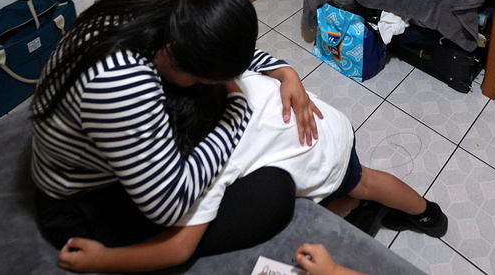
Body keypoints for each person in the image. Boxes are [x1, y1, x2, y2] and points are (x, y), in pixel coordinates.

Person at [52, 34, 448, 273]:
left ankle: (377, 212)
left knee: (348, 192)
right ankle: (427, 213)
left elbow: (179, 248)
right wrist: (289, 73)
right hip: (330, 122)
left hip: (319, 157)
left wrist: (103, 259)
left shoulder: (216, 157)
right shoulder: (231, 76)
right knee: (369, 179)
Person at [30, 0, 322, 258]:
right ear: (175, 56)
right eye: (206, 79)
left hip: (102, 141)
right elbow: (169, 203)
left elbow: (214, 35)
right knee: (272, 195)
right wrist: (237, 109)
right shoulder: (124, 85)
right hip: (84, 201)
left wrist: (283, 71)